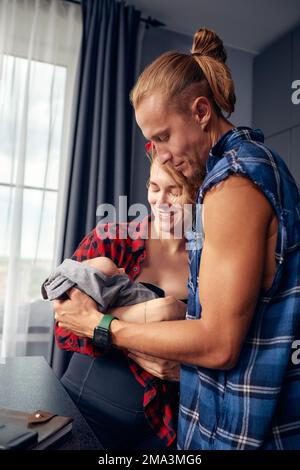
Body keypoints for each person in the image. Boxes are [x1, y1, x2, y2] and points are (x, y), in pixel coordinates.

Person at [54, 27, 300, 450]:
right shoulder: (252, 169)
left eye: (163, 136)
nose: (159, 154)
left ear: (202, 111)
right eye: (151, 142)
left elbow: (219, 344)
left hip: (240, 434)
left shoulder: (234, 183)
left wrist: (103, 325)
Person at [53, 151, 199, 450]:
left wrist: (188, 371)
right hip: (84, 409)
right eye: (155, 187)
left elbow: (215, 344)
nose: (160, 200)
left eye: (175, 190)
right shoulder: (111, 240)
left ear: (199, 194)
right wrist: (154, 316)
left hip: (162, 427)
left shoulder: (210, 262)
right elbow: (65, 324)